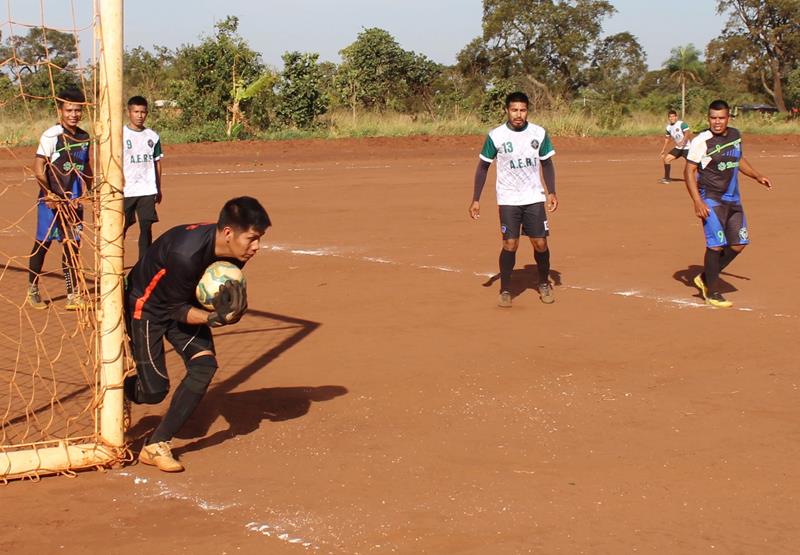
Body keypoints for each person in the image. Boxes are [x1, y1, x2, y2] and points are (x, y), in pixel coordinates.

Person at [124, 196, 270, 471]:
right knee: (154, 391)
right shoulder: (186, 254)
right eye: (251, 238)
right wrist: (214, 318)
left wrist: (232, 310)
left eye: (259, 238)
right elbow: (174, 310)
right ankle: (122, 391)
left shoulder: (234, 254)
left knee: (204, 366)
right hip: (147, 307)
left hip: (181, 301)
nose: (256, 247)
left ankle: (157, 445)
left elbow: (203, 298)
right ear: (228, 232)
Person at [469, 91, 558, 308]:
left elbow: (546, 163)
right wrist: (476, 199)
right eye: (514, 110)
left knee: (540, 243)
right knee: (510, 244)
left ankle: (544, 282)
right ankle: (506, 289)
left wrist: (552, 191)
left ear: (528, 111)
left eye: (523, 110)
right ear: (507, 111)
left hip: (533, 196)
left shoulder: (539, 133)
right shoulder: (496, 136)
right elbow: (483, 167)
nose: (518, 114)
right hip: (508, 197)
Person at [684, 99, 772, 308]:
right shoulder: (701, 141)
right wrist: (697, 201)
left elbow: (738, 159)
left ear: (728, 118)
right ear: (708, 119)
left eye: (721, 118)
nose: (717, 122)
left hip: (733, 199)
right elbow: (689, 171)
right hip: (711, 199)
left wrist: (757, 175)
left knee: (739, 244)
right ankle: (712, 292)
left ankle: (705, 277)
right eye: (713, 118)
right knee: (715, 245)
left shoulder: (735, 135)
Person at [27, 87, 92, 310]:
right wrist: (49, 194)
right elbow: (38, 168)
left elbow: (86, 168)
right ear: (60, 110)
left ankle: (73, 295)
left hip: (73, 201)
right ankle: (32, 289)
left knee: (72, 247)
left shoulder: (84, 137)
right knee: (42, 244)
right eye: (69, 110)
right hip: (50, 202)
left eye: (77, 110)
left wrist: (88, 191)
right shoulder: (51, 135)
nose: (73, 114)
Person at [123, 95, 164, 260]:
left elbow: (157, 163)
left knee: (146, 227)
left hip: (147, 189)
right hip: (126, 189)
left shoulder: (152, 136)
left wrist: (158, 187)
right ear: (129, 112)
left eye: (143, 112)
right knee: (121, 228)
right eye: (136, 112)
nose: (140, 115)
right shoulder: (121, 134)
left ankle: (143, 264)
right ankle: (115, 263)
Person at [658, 109, 692, 184]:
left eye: (673, 116)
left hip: (687, 148)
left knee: (693, 164)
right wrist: (663, 149)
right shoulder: (668, 127)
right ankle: (667, 179)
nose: (672, 118)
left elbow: (687, 133)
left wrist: (683, 141)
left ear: (676, 117)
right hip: (678, 148)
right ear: (668, 118)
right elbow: (667, 139)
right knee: (667, 159)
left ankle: (703, 179)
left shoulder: (682, 124)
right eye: (670, 117)